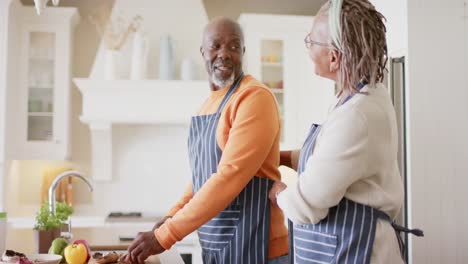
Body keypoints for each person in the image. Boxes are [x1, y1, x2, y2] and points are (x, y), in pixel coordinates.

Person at [269, 0, 423, 263]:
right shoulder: (359, 96)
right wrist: (281, 157)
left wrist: (279, 193)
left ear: (333, 57)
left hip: (361, 251)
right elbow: (332, 160)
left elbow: (308, 205)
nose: (307, 47)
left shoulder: (357, 115)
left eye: (311, 41)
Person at [126, 17, 289, 264]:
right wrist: (171, 216)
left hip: (259, 249)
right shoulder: (208, 105)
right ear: (203, 51)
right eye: (215, 46)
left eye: (234, 47)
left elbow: (229, 176)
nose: (224, 54)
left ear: (243, 52)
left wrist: (164, 236)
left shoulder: (255, 98)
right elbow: (202, 178)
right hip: (219, 246)